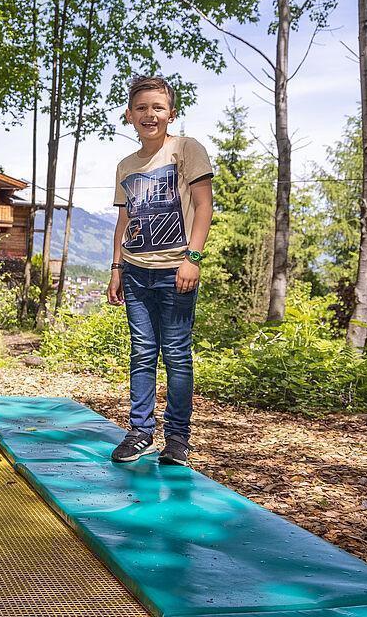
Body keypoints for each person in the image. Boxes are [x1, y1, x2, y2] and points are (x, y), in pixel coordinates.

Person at [106, 75, 213, 467]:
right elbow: (124, 220)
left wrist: (193, 258)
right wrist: (116, 267)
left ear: (171, 113)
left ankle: (178, 440)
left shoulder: (186, 149)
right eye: (141, 108)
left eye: (158, 107)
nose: (149, 114)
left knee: (177, 355)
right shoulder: (125, 165)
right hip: (135, 271)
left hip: (175, 271)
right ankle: (140, 432)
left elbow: (204, 207)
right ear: (129, 115)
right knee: (142, 352)